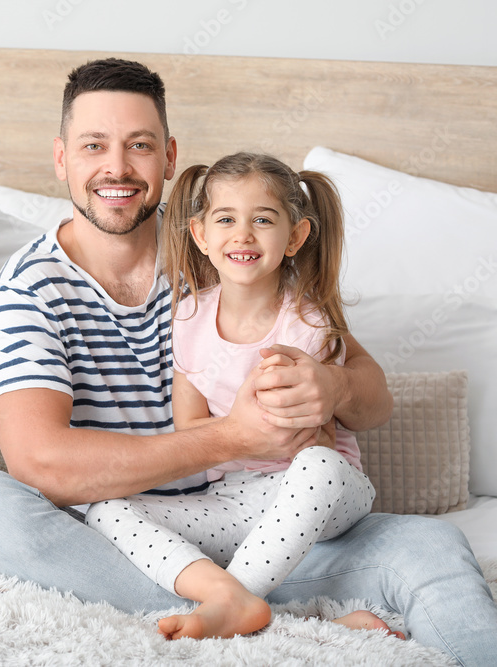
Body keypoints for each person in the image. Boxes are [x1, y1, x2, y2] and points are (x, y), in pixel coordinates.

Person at [0, 58, 497, 665]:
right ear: (62, 158)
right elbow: (42, 464)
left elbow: (372, 396)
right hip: (136, 540)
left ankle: (242, 603)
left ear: (169, 156)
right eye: (93, 146)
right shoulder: (30, 287)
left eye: (140, 145)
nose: (117, 167)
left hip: (287, 529)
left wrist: (333, 388)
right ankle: (270, 613)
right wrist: (235, 434)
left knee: (430, 544)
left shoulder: (226, 240)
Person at [85, 152, 376, 640]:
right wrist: (241, 431)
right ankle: (249, 606)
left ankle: (234, 604)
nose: (243, 235)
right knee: (104, 506)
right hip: (235, 499)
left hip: (320, 493)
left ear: (296, 237)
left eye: (263, 220)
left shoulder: (307, 324)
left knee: (318, 467)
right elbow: (189, 430)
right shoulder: (189, 318)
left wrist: (259, 428)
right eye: (226, 219)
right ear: (201, 235)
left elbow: (310, 442)